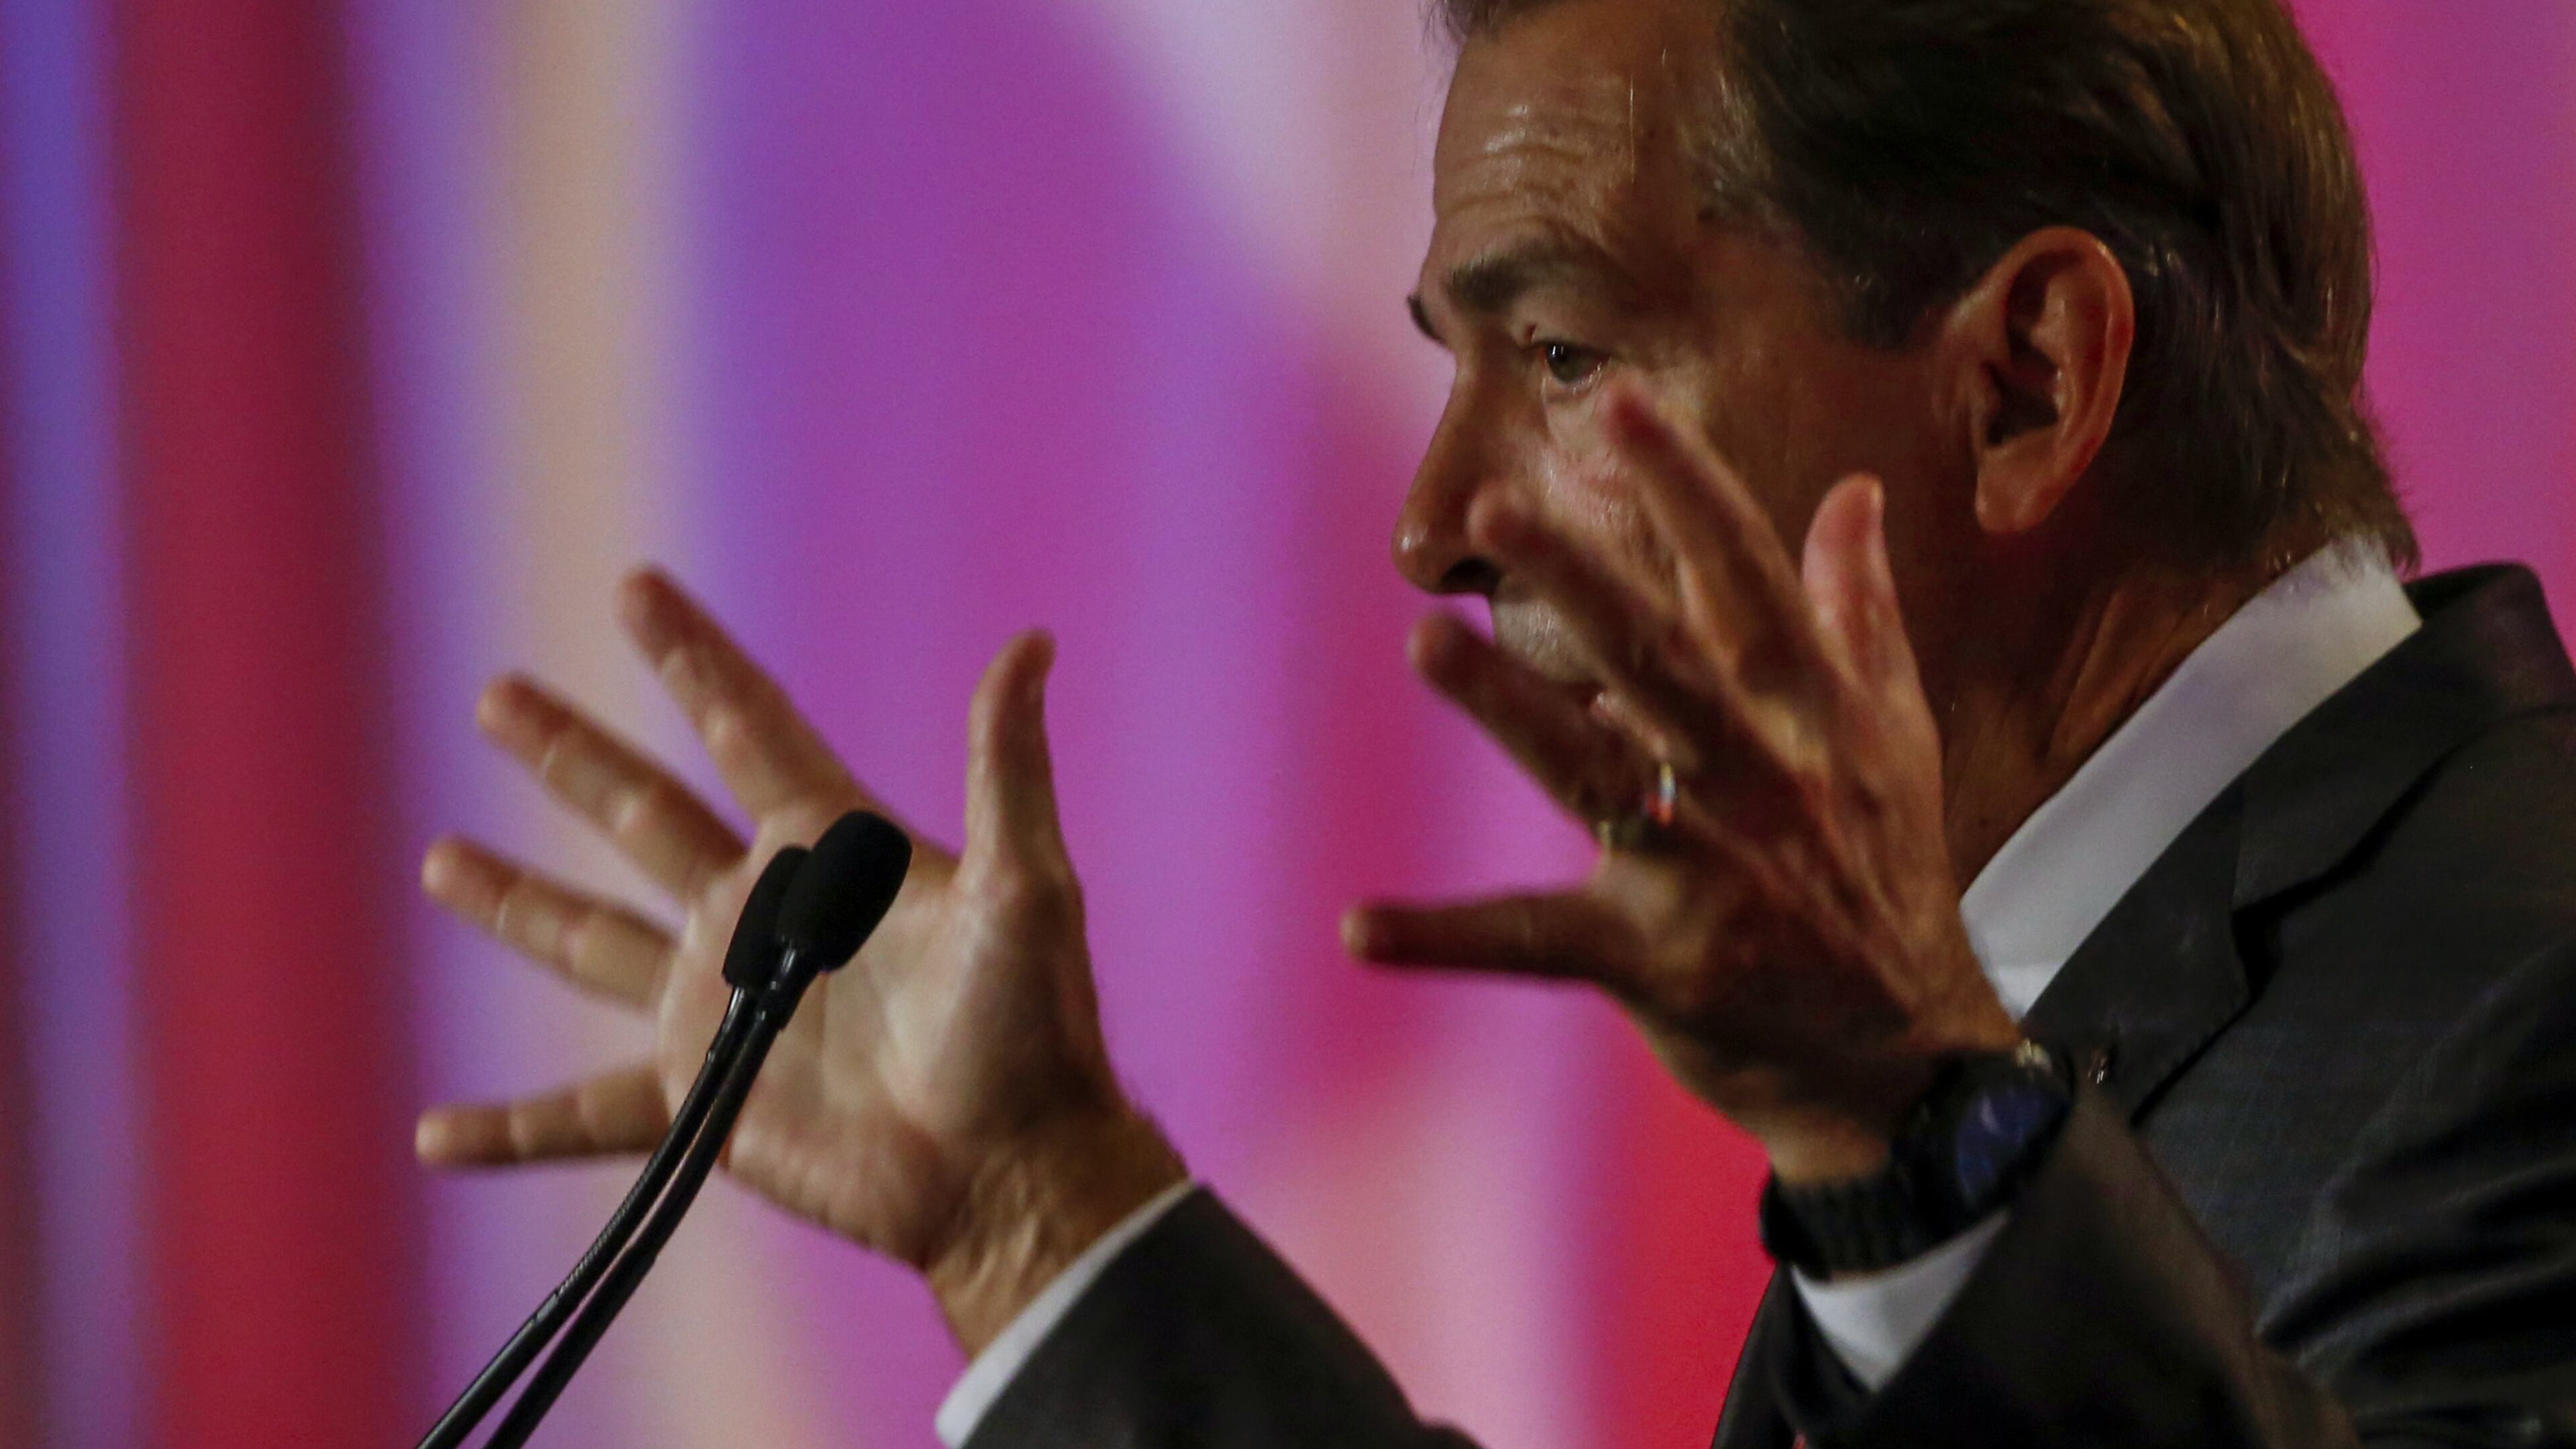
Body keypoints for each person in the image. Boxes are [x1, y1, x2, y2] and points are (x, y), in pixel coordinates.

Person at [413, 0, 2576, 1442]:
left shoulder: (2525, 985)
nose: (1434, 525)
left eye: (1556, 352)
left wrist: (1927, 1144)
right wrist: (1029, 1212)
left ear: (2020, 380)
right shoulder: (2020, 1006)